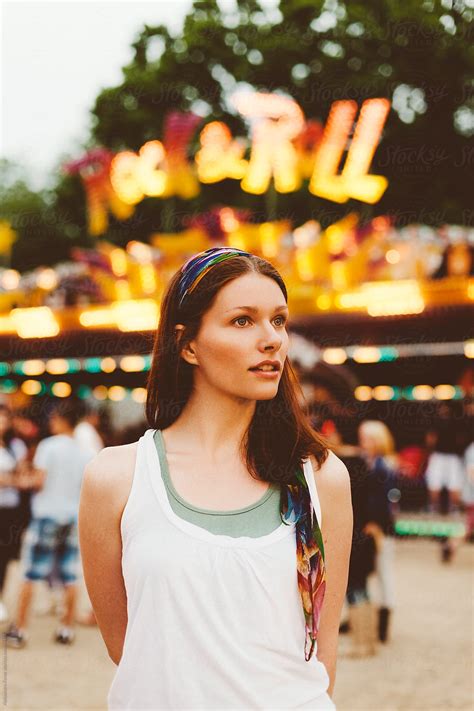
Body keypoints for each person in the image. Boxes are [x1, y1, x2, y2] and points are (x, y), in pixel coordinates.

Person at [79, 246, 353, 710]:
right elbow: (130, 646)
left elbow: (321, 652)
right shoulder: (118, 477)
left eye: (279, 321)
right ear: (187, 344)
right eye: (242, 321)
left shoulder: (320, 477)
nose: (271, 340)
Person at [4, 399, 91, 647]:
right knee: (69, 575)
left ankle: (20, 629)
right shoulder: (85, 452)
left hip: (46, 515)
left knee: (31, 573)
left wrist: (21, 480)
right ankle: (66, 628)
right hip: (71, 516)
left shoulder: (48, 447)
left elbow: (39, 481)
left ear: (60, 419)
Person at [358, 420, 399, 645]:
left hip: (381, 529)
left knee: (384, 573)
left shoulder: (383, 467)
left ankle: (383, 624)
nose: (362, 442)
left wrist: (375, 523)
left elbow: (384, 501)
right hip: (374, 527)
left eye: (366, 438)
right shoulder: (371, 464)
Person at [0, 405, 29, 623]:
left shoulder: (15, 446)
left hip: (10, 510)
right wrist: (13, 480)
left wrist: (11, 480)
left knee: (5, 556)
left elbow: (24, 474)